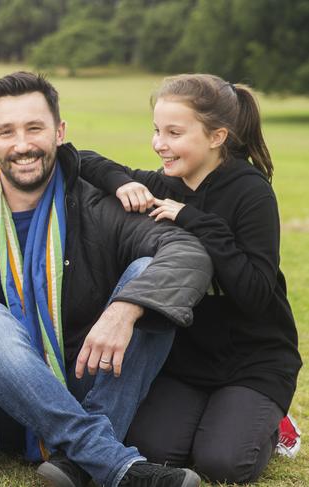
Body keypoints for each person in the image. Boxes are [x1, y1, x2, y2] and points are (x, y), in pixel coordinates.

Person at [0, 71, 213, 487]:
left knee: (148, 279)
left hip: (88, 383)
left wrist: (126, 308)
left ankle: (79, 459)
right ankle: (109, 460)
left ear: (59, 132)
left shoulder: (95, 201)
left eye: (35, 128)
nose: (22, 145)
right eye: (7, 132)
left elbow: (187, 252)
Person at [78, 73, 302, 484]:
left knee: (223, 462)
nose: (159, 143)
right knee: (154, 449)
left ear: (217, 136)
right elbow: (83, 159)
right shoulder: (167, 183)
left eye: (174, 132)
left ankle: (277, 426)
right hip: (190, 360)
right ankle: (218, 415)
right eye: (156, 130)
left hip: (254, 359)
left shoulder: (251, 193)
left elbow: (254, 292)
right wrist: (123, 181)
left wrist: (193, 220)